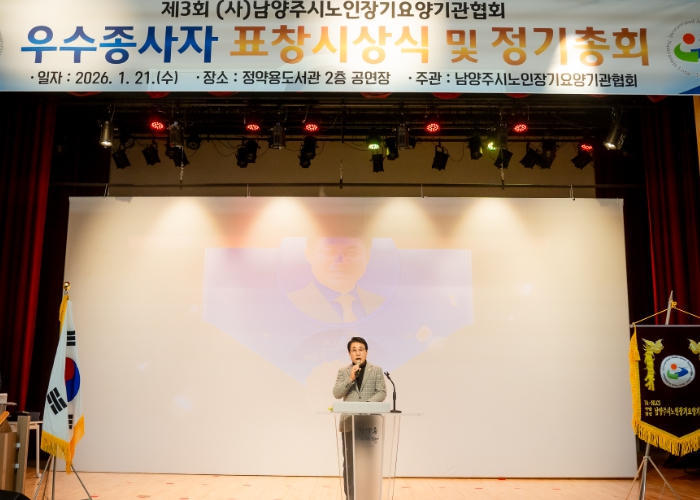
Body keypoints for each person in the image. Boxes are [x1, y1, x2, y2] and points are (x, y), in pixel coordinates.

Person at [332, 337, 387, 500]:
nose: (358, 353)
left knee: (369, 463)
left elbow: (382, 392)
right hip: (349, 423)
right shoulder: (343, 372)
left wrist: (367, 406)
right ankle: (350, 497)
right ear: (349, 353)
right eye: (354, 350)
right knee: (350, 463)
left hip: (369, 423)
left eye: (361, 349)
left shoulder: (376, 370)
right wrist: (350, 378)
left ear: (366, 352)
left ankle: (369, 495)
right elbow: (337, 393)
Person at [287, 237, 385, 324]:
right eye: (330, 252)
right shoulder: (289, 304)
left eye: (351, 253)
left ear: (367, 256)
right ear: (309, 255)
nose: (340, 261)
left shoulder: (381, 304)